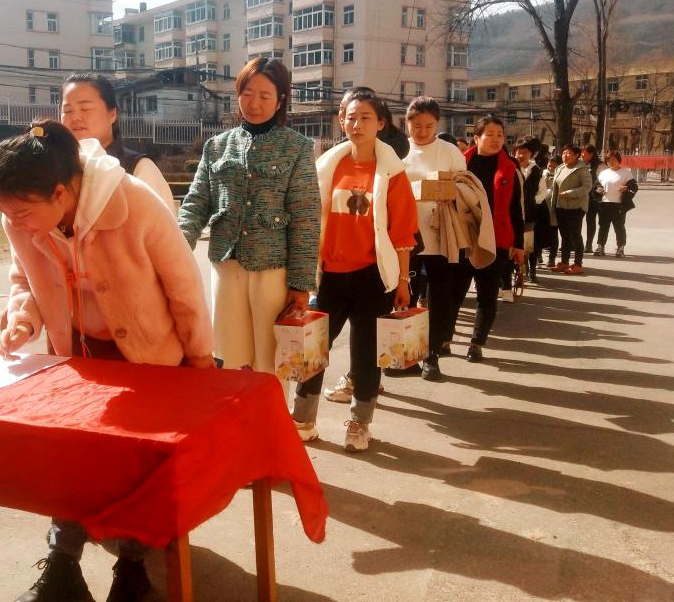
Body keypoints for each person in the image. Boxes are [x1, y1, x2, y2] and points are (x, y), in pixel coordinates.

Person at [0, 119, 215, 602]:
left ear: (60, 192)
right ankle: (62, 563)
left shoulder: (134, 203)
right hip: (77, 357)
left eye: (21, 212)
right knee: (67, 459)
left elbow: (184, 287)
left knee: (135, 469)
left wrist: (199, 360)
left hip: (146, 358)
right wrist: (22, 319)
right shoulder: (19, 217)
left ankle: (131, 567)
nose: (14, 223)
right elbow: (23, 278)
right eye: (6, 213)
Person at [178, 58, 320, 389]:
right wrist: (176, 249)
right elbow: (196, 203)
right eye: (246, 93)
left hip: (273, 272)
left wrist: (301, 283)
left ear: (280, 100)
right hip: (226, 266)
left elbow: (306, 218)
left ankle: (271, 420)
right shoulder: (216, 147)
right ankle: (235, 418)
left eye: (265, 96)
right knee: (228, 357)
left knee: (272, 362)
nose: (254, 104)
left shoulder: (297, 148)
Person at [290, 87, 417, 450]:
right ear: (341, 121)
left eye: (365, 117)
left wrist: (403, 280)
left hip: (372, 277)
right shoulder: (327, 166)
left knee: (365, 355)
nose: (356, 124)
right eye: (350, 117)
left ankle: (359, 424)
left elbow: (402, 233)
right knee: (313, 351)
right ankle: (303, 419)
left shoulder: (393, 172)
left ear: (380, 123)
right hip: (329, 275)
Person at [444, 115, 525, 363]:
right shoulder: (460, 165)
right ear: (476, 138)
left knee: (487, 295)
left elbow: (517, 209)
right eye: (489, 134)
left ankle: (476, 343)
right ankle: (444, 340)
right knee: (453, 294)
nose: (496, 139)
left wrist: (519, 245)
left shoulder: (510, 168)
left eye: (500, 134)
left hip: (496, 241)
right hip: (462, 238)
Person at [401, 96, 466, 380]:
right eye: (416, 125)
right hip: (406, 236)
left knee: (440, 298)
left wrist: (450, 194)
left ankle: (432, 355)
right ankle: (404, 356)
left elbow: (465, 186)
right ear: (407, 123)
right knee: (405, 296)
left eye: (428, 126)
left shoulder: (450, 151)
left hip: (441, 235)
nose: (422, 131)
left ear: (437, 124)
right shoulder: (398, 151)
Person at [60, 73, 175, 214]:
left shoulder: (138, 169)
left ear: (112, 114)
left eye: (85, 109)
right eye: (67, 111)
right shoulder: (55, 168)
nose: (75, 117)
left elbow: (160, 226)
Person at [549, 144, 591, 274]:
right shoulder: (560, 168)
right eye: (563, 153)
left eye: (568, 153)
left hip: (576, 207)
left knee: (575, 235)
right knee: (564, 235)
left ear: (576, 155)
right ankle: (564, 262)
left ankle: (578, 264)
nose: (565, 156)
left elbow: (587, 187)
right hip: (560, 206)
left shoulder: (582, 169)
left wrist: (570, 193)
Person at [513, 136, 548, 284]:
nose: (520, 155)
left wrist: (533, 201)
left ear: (532, 154)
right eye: (518, 151)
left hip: (530, 215)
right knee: (515, 244)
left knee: (530, 245)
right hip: (514, 213)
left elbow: (543, 192)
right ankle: (518, 272)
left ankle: (532, 270)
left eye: (525, 152)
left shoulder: (537, 172)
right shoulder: (512, 168)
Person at [594, 149, 638, 257]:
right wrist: (598, 189)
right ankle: (600, 246)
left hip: (618, 204)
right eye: (608, 160)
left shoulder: (626, 173)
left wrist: (626, 187)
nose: (611, 162)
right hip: (604, 203)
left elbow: (634, 186)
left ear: (618, 160)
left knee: (619, 227)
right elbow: (597, 185)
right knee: (603, 226)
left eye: (613, 159)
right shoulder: (603, 173)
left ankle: (620, 248)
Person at [581, 143, 605, 249]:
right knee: (589, 220)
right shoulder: (582, 165)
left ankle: (595, 244)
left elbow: (603, 181)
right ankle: (584, 244)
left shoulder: (601, 166)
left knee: (600, 221)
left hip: (598, 197)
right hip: (586, 197)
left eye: (583, 153)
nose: (581, 155)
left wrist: (598, 188)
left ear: (591, 154)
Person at [543, 155, 562, 267]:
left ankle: (552, 259)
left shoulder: (560, 175)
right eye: (549, 165)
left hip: (554, 209)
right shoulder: (542, 173)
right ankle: (538, 257)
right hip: (542, 208)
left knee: (554, 234)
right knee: (539, 234)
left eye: (554, 166)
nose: (551, 168)